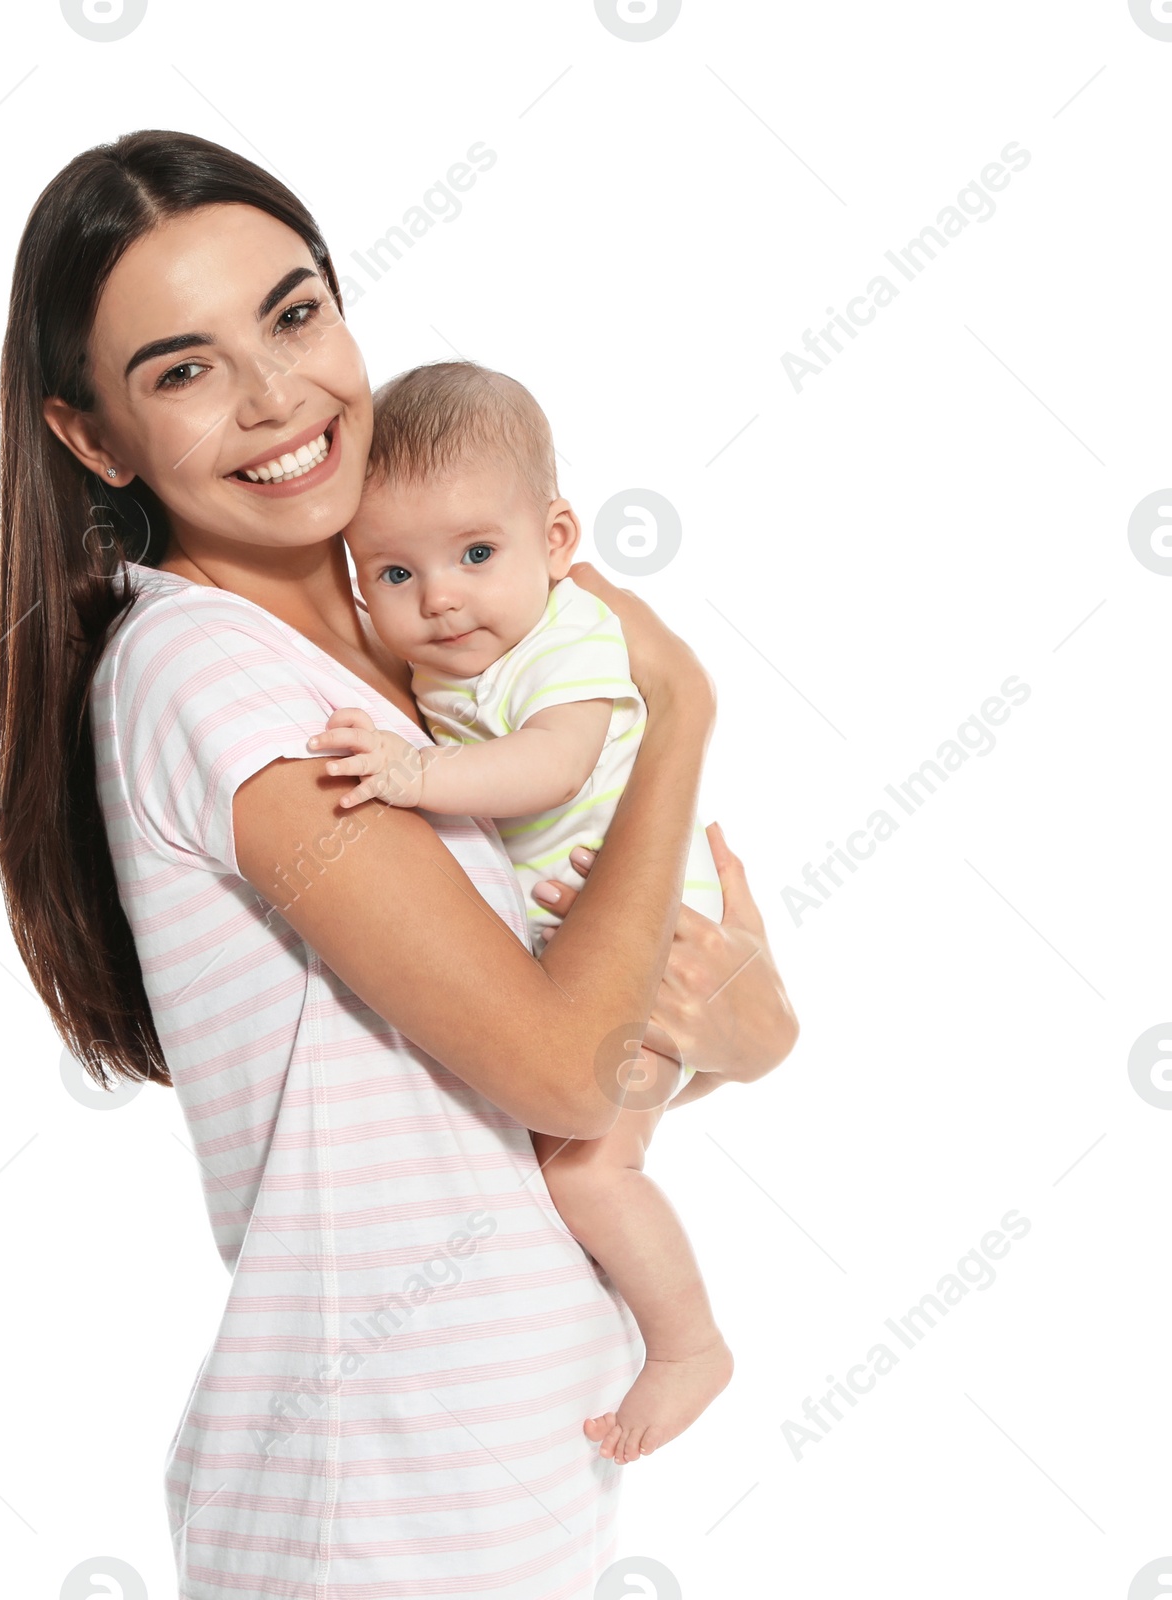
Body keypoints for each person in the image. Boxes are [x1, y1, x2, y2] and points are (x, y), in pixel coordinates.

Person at [0, 128, 798, 1597]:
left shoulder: (413, 651)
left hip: (507, 1465)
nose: (277, 395)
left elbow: (589, 1006)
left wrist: (745, 1038)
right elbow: (559, 1067)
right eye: (182, 371)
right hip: (372, 1496)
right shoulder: (206, 675)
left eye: (294, 315)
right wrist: (673, 709)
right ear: (95, 440)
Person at [320, 358, 741, 1463]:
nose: (440, 596)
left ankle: (689, 1344)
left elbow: (552, 767)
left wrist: (413, 777)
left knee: (587, 1170)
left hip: (656, 968)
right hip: (583, 960)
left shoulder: (568, 640)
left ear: (555, 540)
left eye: (474, 554)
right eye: (395, 572)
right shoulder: (448, 660)